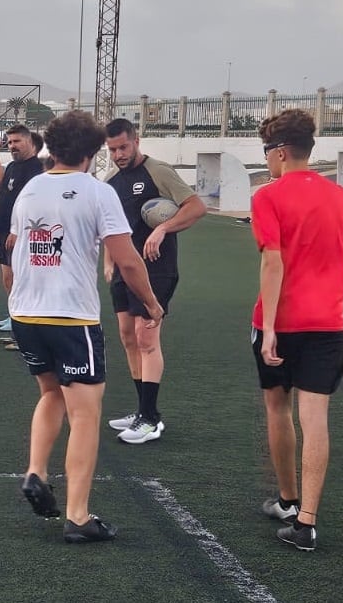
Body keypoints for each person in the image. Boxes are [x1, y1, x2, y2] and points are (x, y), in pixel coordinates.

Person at [8, 110, 164, 543]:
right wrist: (151, 303)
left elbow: (15, 244)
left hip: (25, 314)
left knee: (50, 394)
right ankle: (77, 516)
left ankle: (36, 471)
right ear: (93, 153)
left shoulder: (31, 188)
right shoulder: (98, 192)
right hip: (72, 318)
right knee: (86, 416)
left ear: (51, 148)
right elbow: (129, 260)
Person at [250, 109, 343, 552]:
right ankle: (305, 521)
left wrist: (269, 328)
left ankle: (288, 500)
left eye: (266, 152)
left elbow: (272, 260)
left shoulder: (267, 196)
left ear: (281, 152)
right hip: (328, 324)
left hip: (281, 323)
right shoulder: (339, 196)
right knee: (316, 420)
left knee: (277, 408)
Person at [102, 117, 207, 444]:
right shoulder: (111, 180)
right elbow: (110, 224)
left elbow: (196, 207)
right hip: (123, 268)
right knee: (127, 336)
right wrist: (108, 260)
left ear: (136, 140)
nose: (119, 154)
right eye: (112, 149)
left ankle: (150, 418)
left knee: (146, 338)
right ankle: (141, 410)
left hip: (156, 268)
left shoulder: (158, 172)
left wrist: (162, 229)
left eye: (123, 146)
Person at [0, 126, 43, 340]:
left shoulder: (36, 169)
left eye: (17, 141)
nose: (12, 145)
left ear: (29, 142)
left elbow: (34, 205)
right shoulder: (13, 167)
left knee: (22, 280)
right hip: (5, 233)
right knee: (9, 278)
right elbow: (3, 198)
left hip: (22, 236)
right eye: (10, 141)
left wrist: (18, 230)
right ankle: (15, 318)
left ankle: (25, 327)